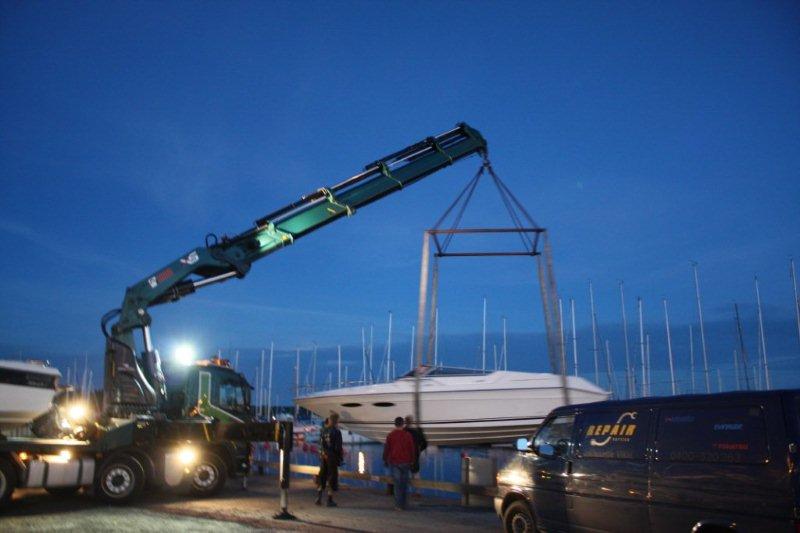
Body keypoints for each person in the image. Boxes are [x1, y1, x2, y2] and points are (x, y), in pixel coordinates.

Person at [383, 416, 415, 510]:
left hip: (394, 462)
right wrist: (412, 460)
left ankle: (398, 505)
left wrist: (385, 459)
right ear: (403, 424)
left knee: (397, 485)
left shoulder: (390, 435)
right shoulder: (408, 435)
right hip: (406, 462)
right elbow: (411, 449)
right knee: (404, 484)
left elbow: (387, 449)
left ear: (395, 424)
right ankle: (404, 504)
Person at [316, 413, 343, 507]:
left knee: (322, 476)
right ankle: (329, 499)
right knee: (332, 477)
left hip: (324, 457)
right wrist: (340, 458)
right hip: (332, 457)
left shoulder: (323, 430)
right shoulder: (336, 432)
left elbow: (320, 444)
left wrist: (322, 453)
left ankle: (318, 498)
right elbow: (338, 447)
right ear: (336, 421)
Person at [404, 415, 427, 495]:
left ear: (405, 422)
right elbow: (425, 443)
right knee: (415, 472)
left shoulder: (404, 431)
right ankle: (417, 491)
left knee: (404, 473)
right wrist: (419, 450)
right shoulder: (418, 431)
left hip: (405, 455)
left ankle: (404, 491)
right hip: (415, 455)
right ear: (412, 421)